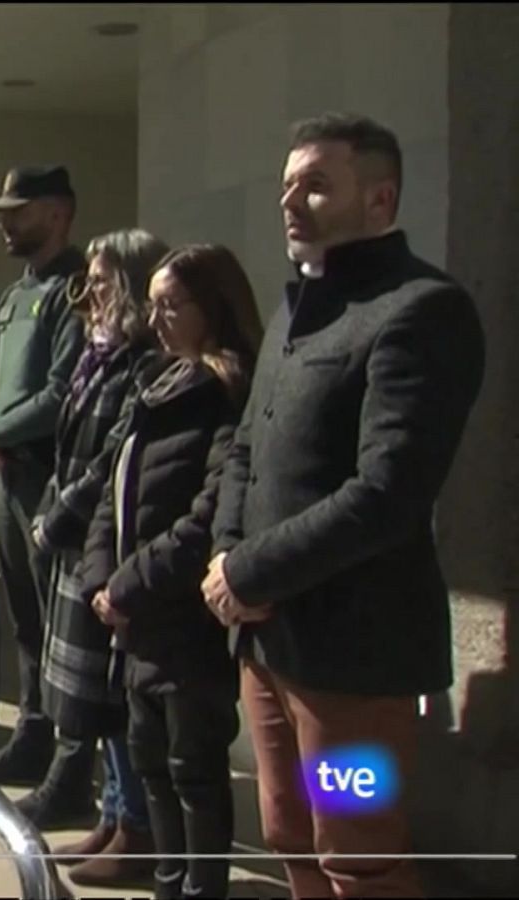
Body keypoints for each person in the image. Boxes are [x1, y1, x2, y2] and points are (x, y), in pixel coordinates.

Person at [204, 113, 485, 899]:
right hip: (268, 647)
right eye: (288, 184)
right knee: (289, 834)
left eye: (317, 184)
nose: (292, 200)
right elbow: (247, 449)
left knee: (356, 852)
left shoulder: (420, 311)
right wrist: (227, 557)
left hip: (353, 662)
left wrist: (250, 570)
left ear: (380, 198)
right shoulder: (298, 308)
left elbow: (388, 491)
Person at [76, 243, 264, 899]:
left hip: (184, 618)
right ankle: (168, 882)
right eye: (150, 305)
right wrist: (101, 578)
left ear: (213, 308)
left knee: (193, 768)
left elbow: (206, 517)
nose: (155, 320)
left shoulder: (227, 393)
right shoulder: (156, 387)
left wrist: (129, 586)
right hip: (136, 620)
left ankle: (202, 887)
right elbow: (112, 493)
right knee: (151, 765)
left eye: (171, 306)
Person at [28, 228, 169, 867]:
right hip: (79, 539)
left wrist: (61, 514)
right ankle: (112, 813)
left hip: (107, 538)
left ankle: (135, 824)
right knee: (90, 695)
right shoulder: (98, 353)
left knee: (112, 695)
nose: (90, 292)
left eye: (103, 280)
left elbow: (114, 453)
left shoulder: (146, 362)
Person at [0, 164, 90, 793]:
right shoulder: (16, 295)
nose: (6, 223)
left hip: (44, 475)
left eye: (20, 210)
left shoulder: (76, 289)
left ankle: (70, 760)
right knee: (23, 617)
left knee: (55, 626)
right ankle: (31, 736)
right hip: (5, 476)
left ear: (58, 213)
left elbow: (62, 390)